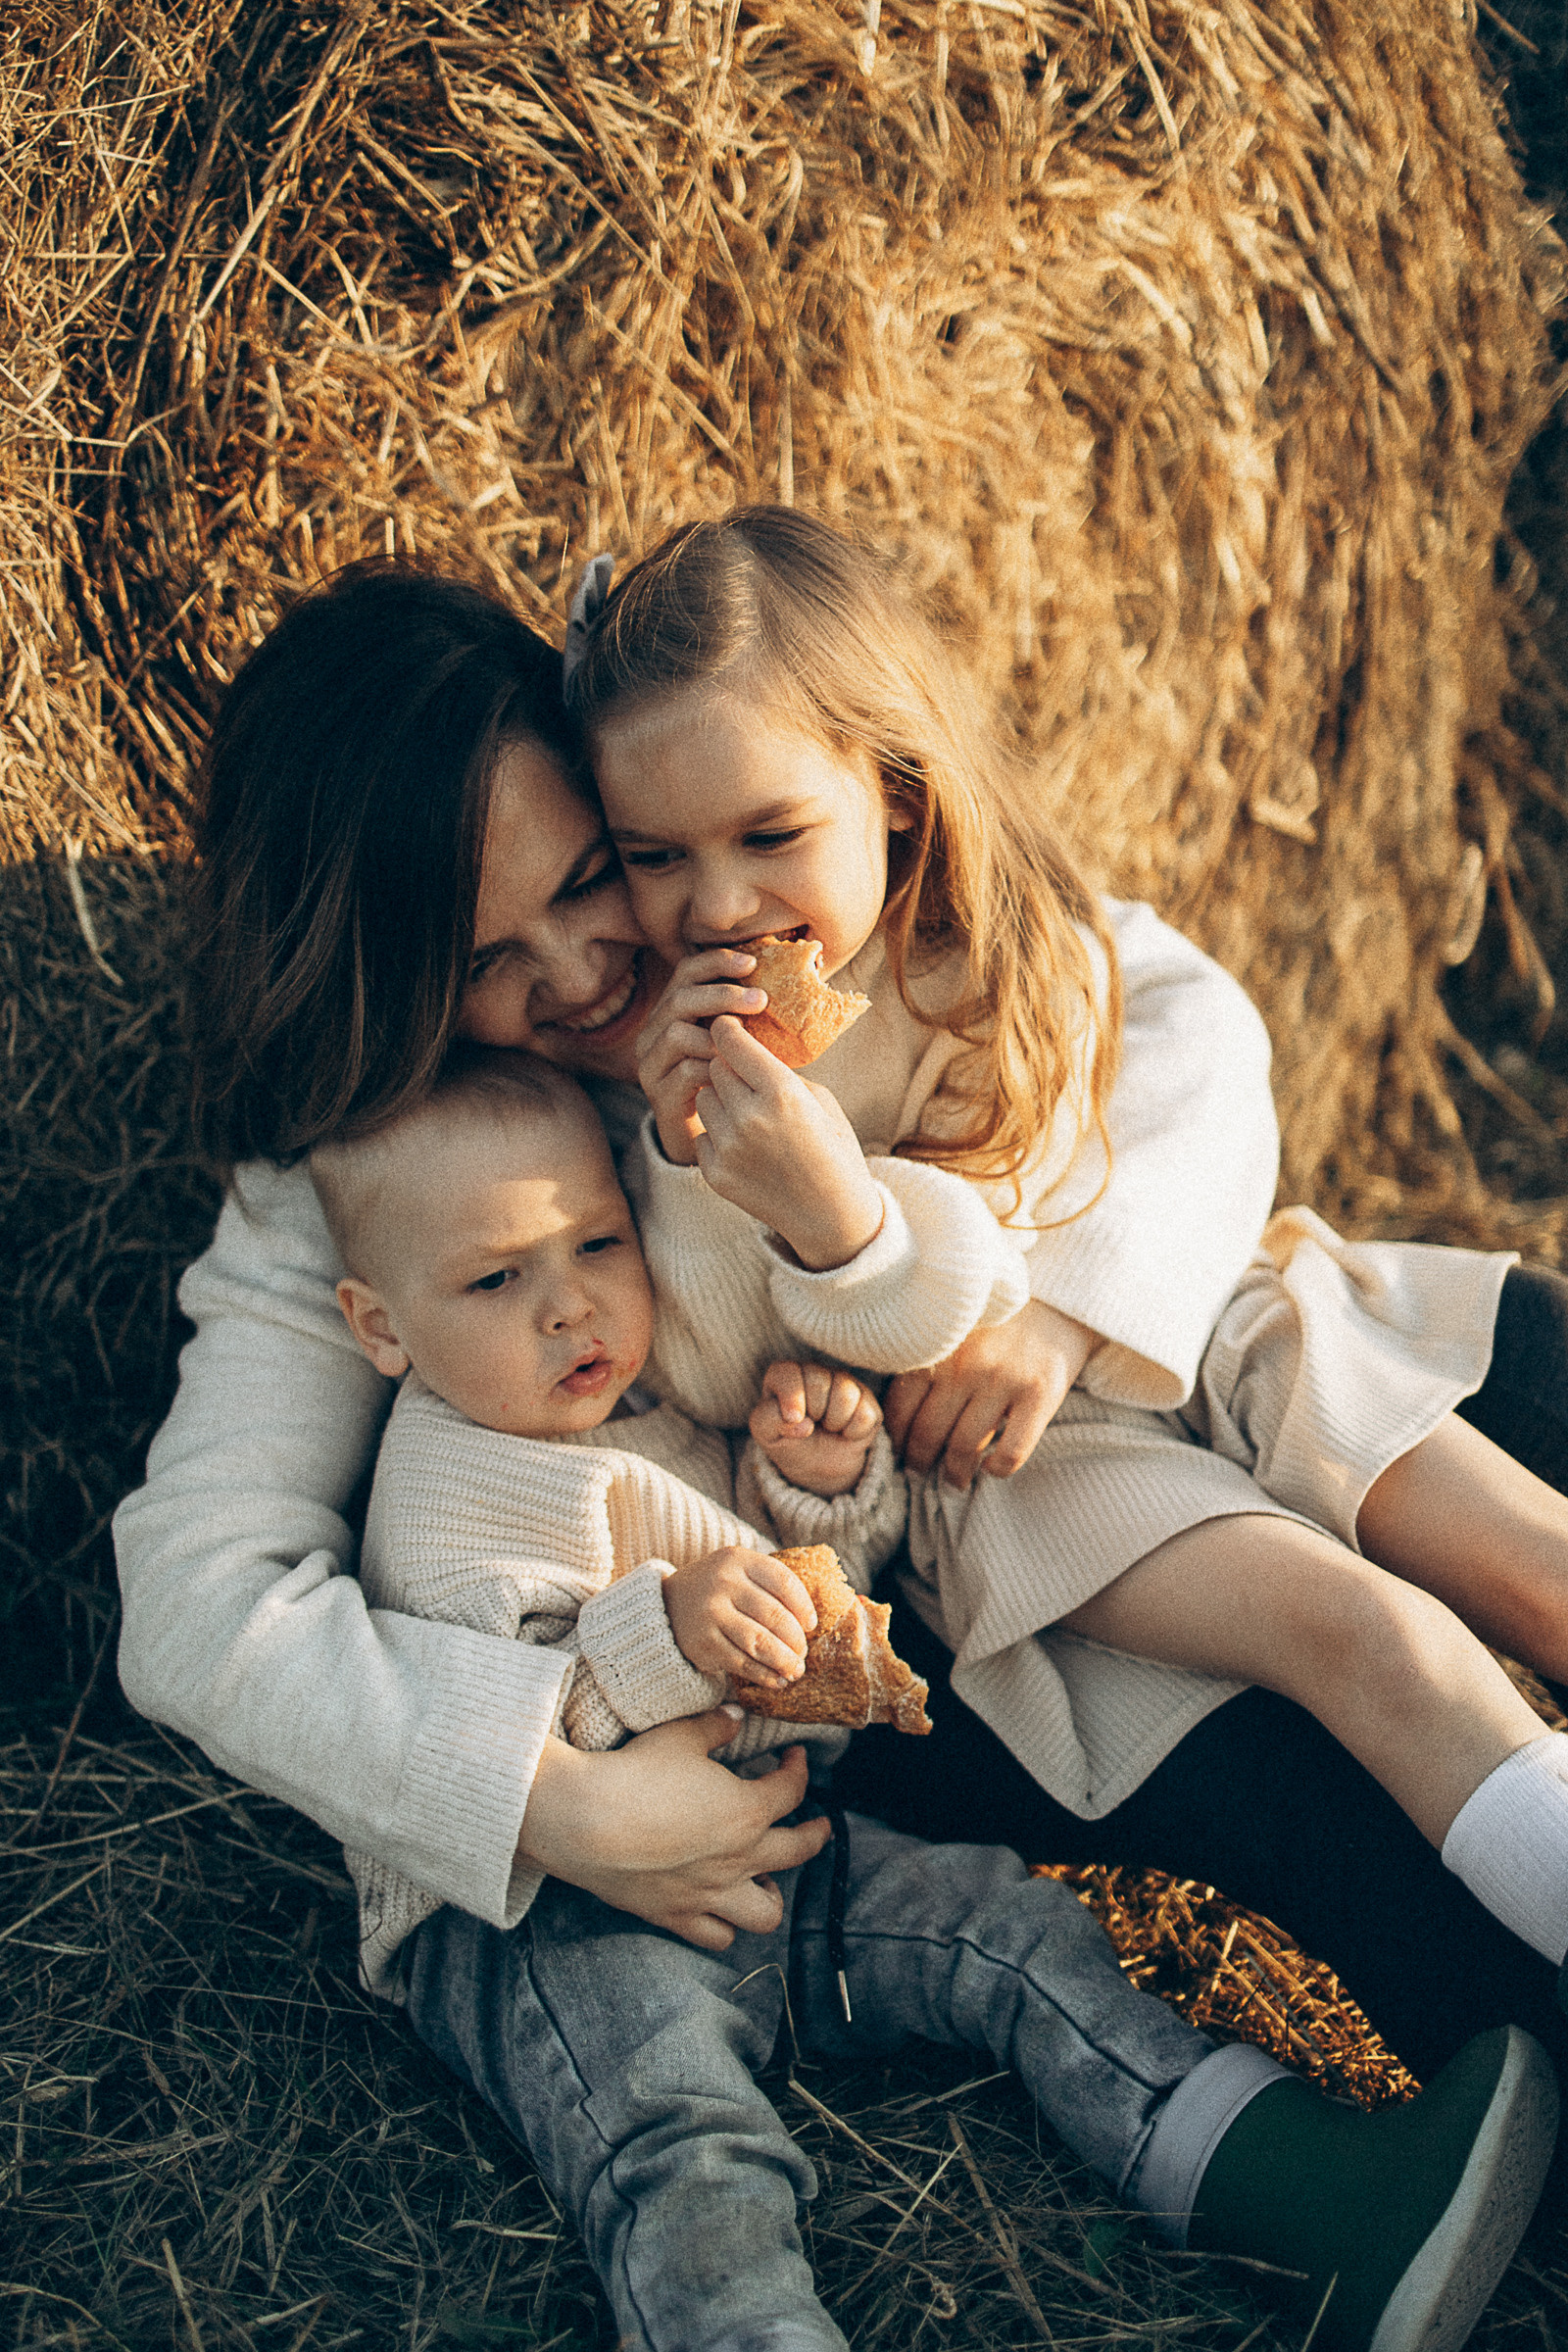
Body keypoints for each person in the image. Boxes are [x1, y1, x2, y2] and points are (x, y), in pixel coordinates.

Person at [110, 556, 1565, 2127]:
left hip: (1162, 1347)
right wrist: (548, 1797)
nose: (591, 969)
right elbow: (197, 1596)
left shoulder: (739, 881)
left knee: (1526, 1380)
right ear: (386, 984)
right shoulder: (362, 1170)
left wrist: (1071, 1310)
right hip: (926, 1558)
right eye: (481, 962)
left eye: (590, 877)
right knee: (1329, 1783)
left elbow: (1161, 1001)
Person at [303, 1047, 1556, 2352]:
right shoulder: (444, 1490)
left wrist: (817, 1491)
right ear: (380, 1327)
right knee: (683, 2143)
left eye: (599, 1246)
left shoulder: (656, 1401)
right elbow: (484, 1737)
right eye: (499, 1279)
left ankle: (1299, 2190)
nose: (572, 1309)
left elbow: (828, 1617)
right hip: (559, 1920)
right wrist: (665, 1630)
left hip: (783, 1850)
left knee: (1021, 1941)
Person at [566, 506, 1568, 1995]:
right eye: (654, 857)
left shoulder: (1005, 942)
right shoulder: (688, 1074)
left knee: (1537, 1562)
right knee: (1373, 1639)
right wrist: (718, 1174)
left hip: (1219, 1333)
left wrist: (1068, 1315)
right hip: (1032, 1482)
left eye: (770, 835)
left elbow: (1205, 1050)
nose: (713, 906)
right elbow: (718, 1366)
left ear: (895, 791)